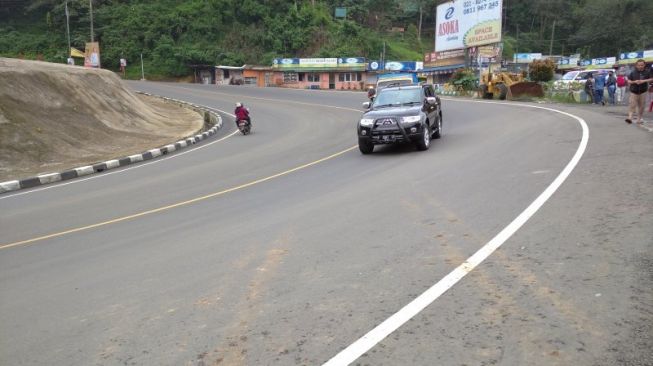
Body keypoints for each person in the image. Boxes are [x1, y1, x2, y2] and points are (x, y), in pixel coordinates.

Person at [625, 59, 653, 124]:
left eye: (642, 65)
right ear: (636, 65)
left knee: (641, 106)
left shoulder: (647, 72)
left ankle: (639, 119)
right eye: (639, 65)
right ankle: (629, 118)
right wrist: (634, 82)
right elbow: (628, 81)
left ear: (644, 65)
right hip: (633, 91)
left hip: (643, 91)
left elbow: (651, 79)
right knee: (632, 104)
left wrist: (644, 81)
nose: (640, 66)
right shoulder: (633, 72)